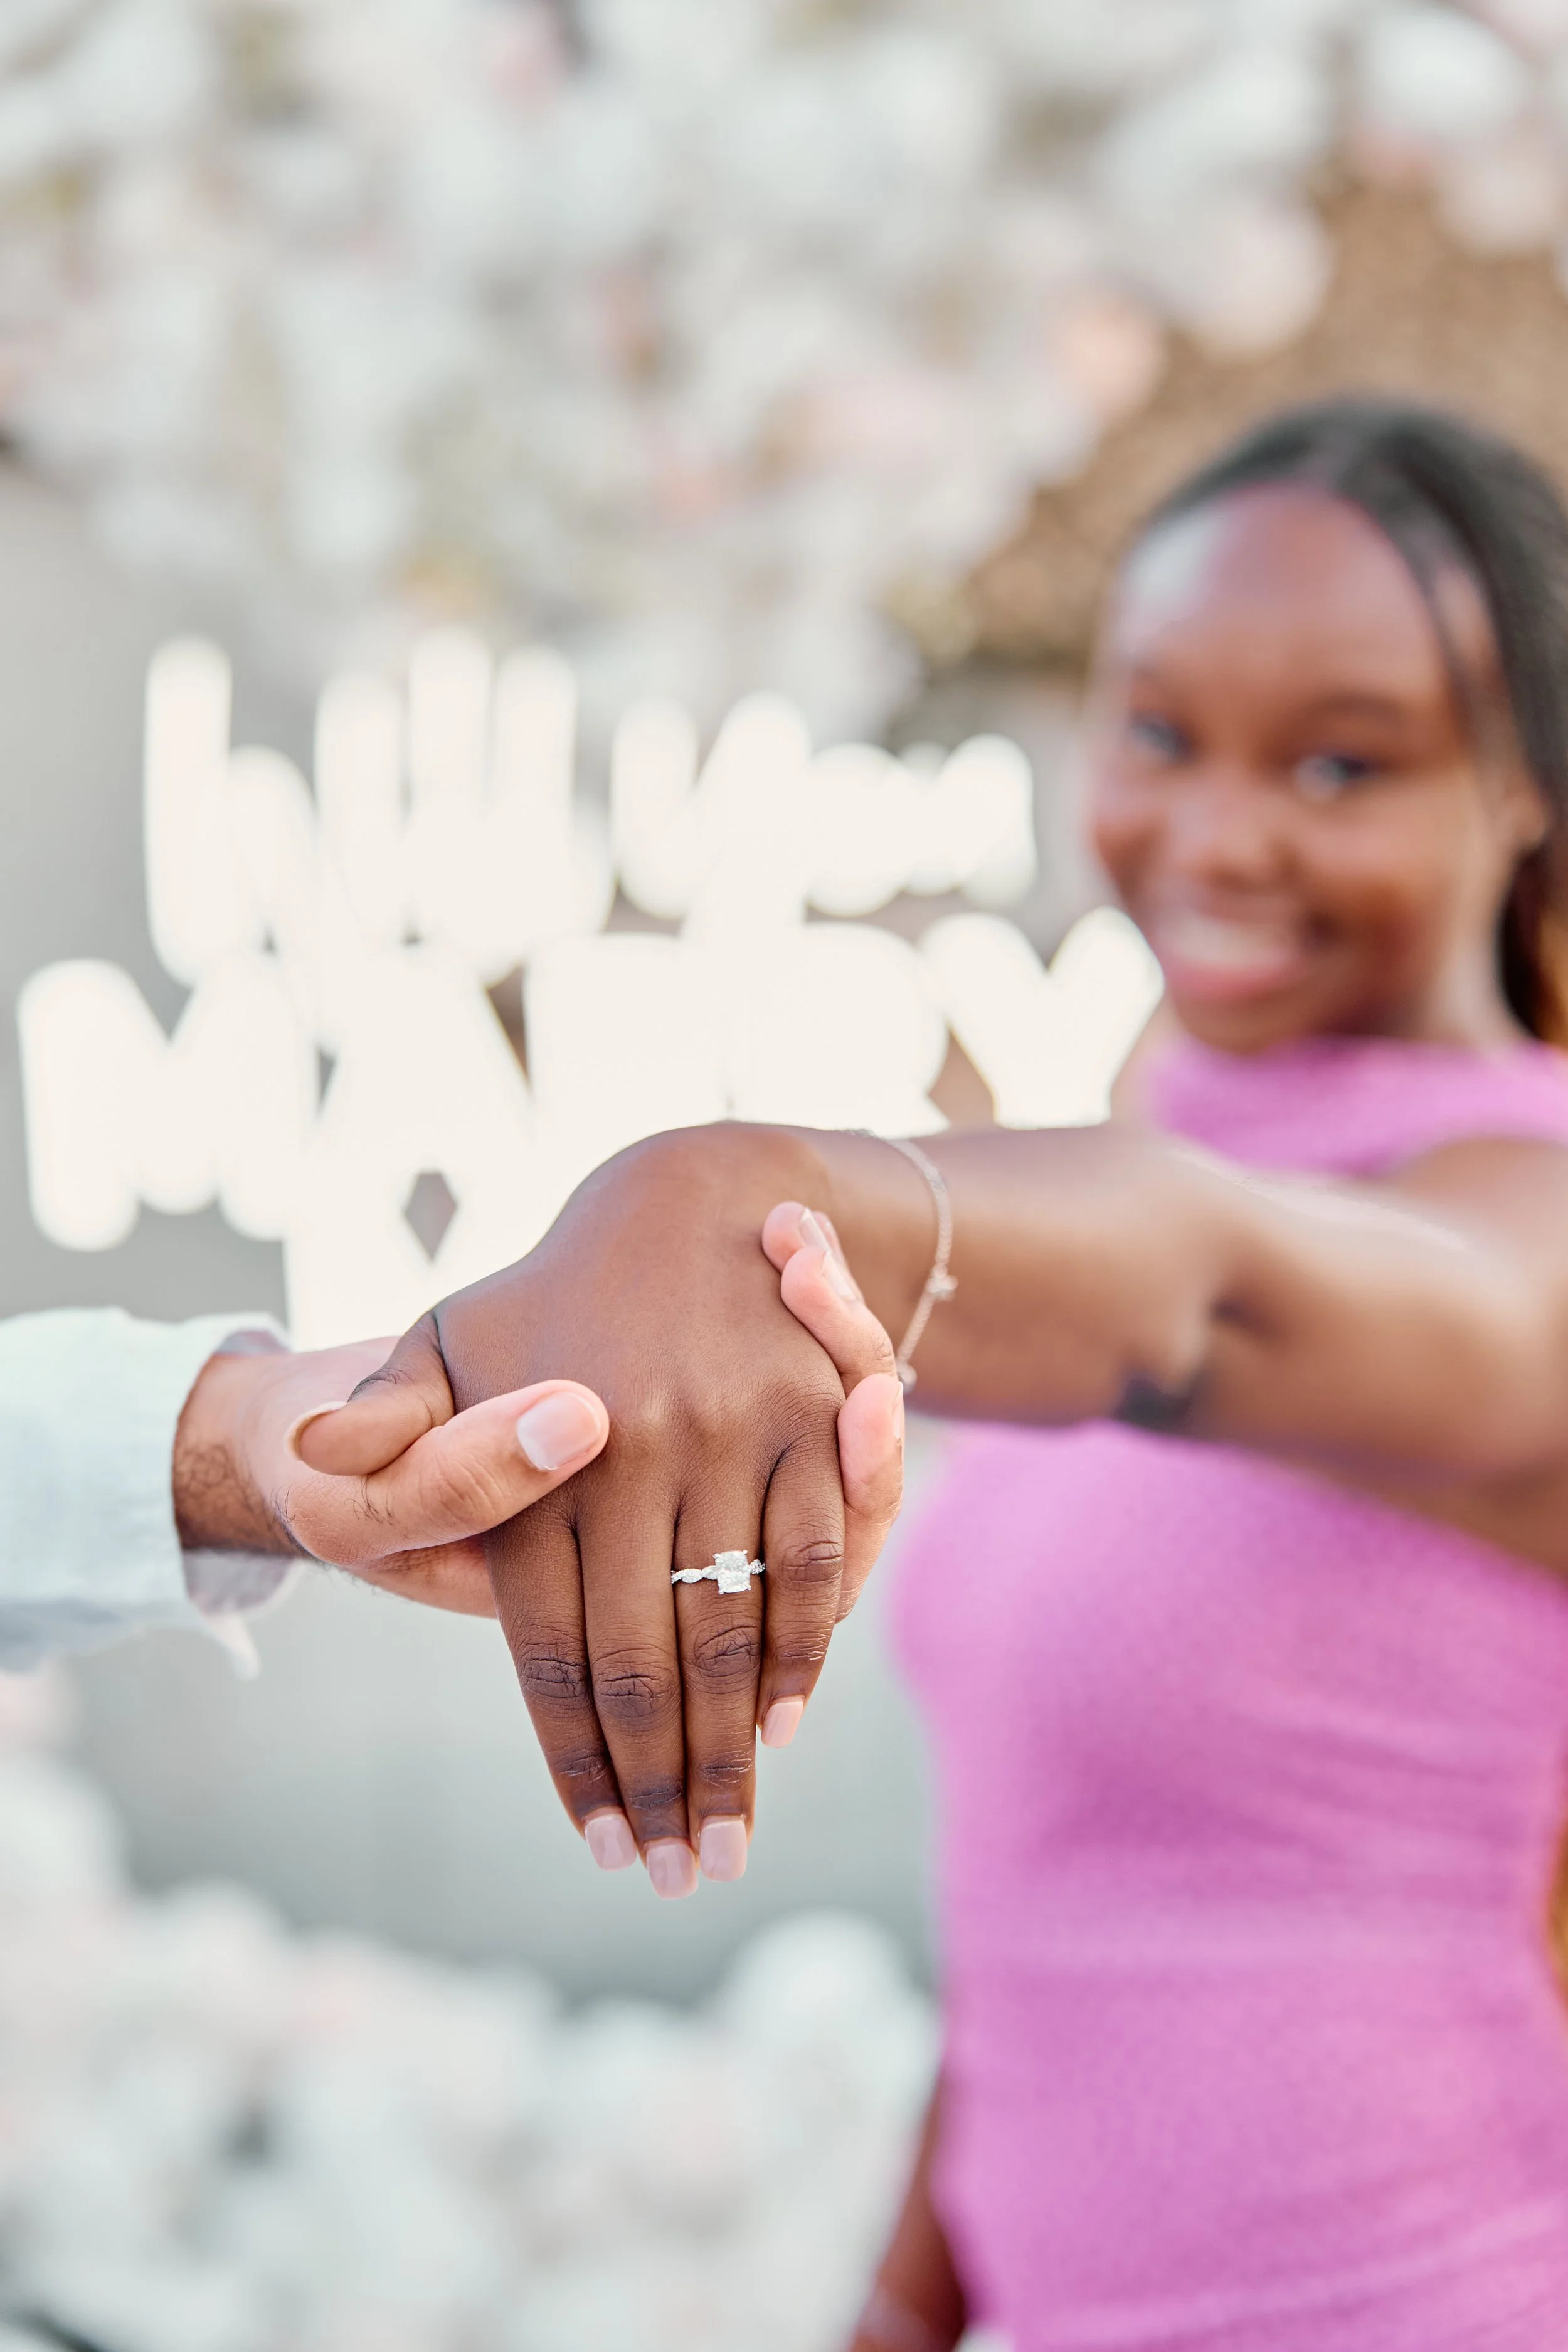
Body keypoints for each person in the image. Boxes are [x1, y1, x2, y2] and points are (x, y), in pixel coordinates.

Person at [317, 396, 1568, 2346]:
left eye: (1341, 761)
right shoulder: (1158, 1151)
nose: (1216, 831)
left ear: (1524, 793)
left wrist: (767, 1197)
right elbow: (1065, 1920)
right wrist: (904, 2307)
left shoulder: (1524, 1224)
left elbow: (1210, 1287)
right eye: (1156, 731)